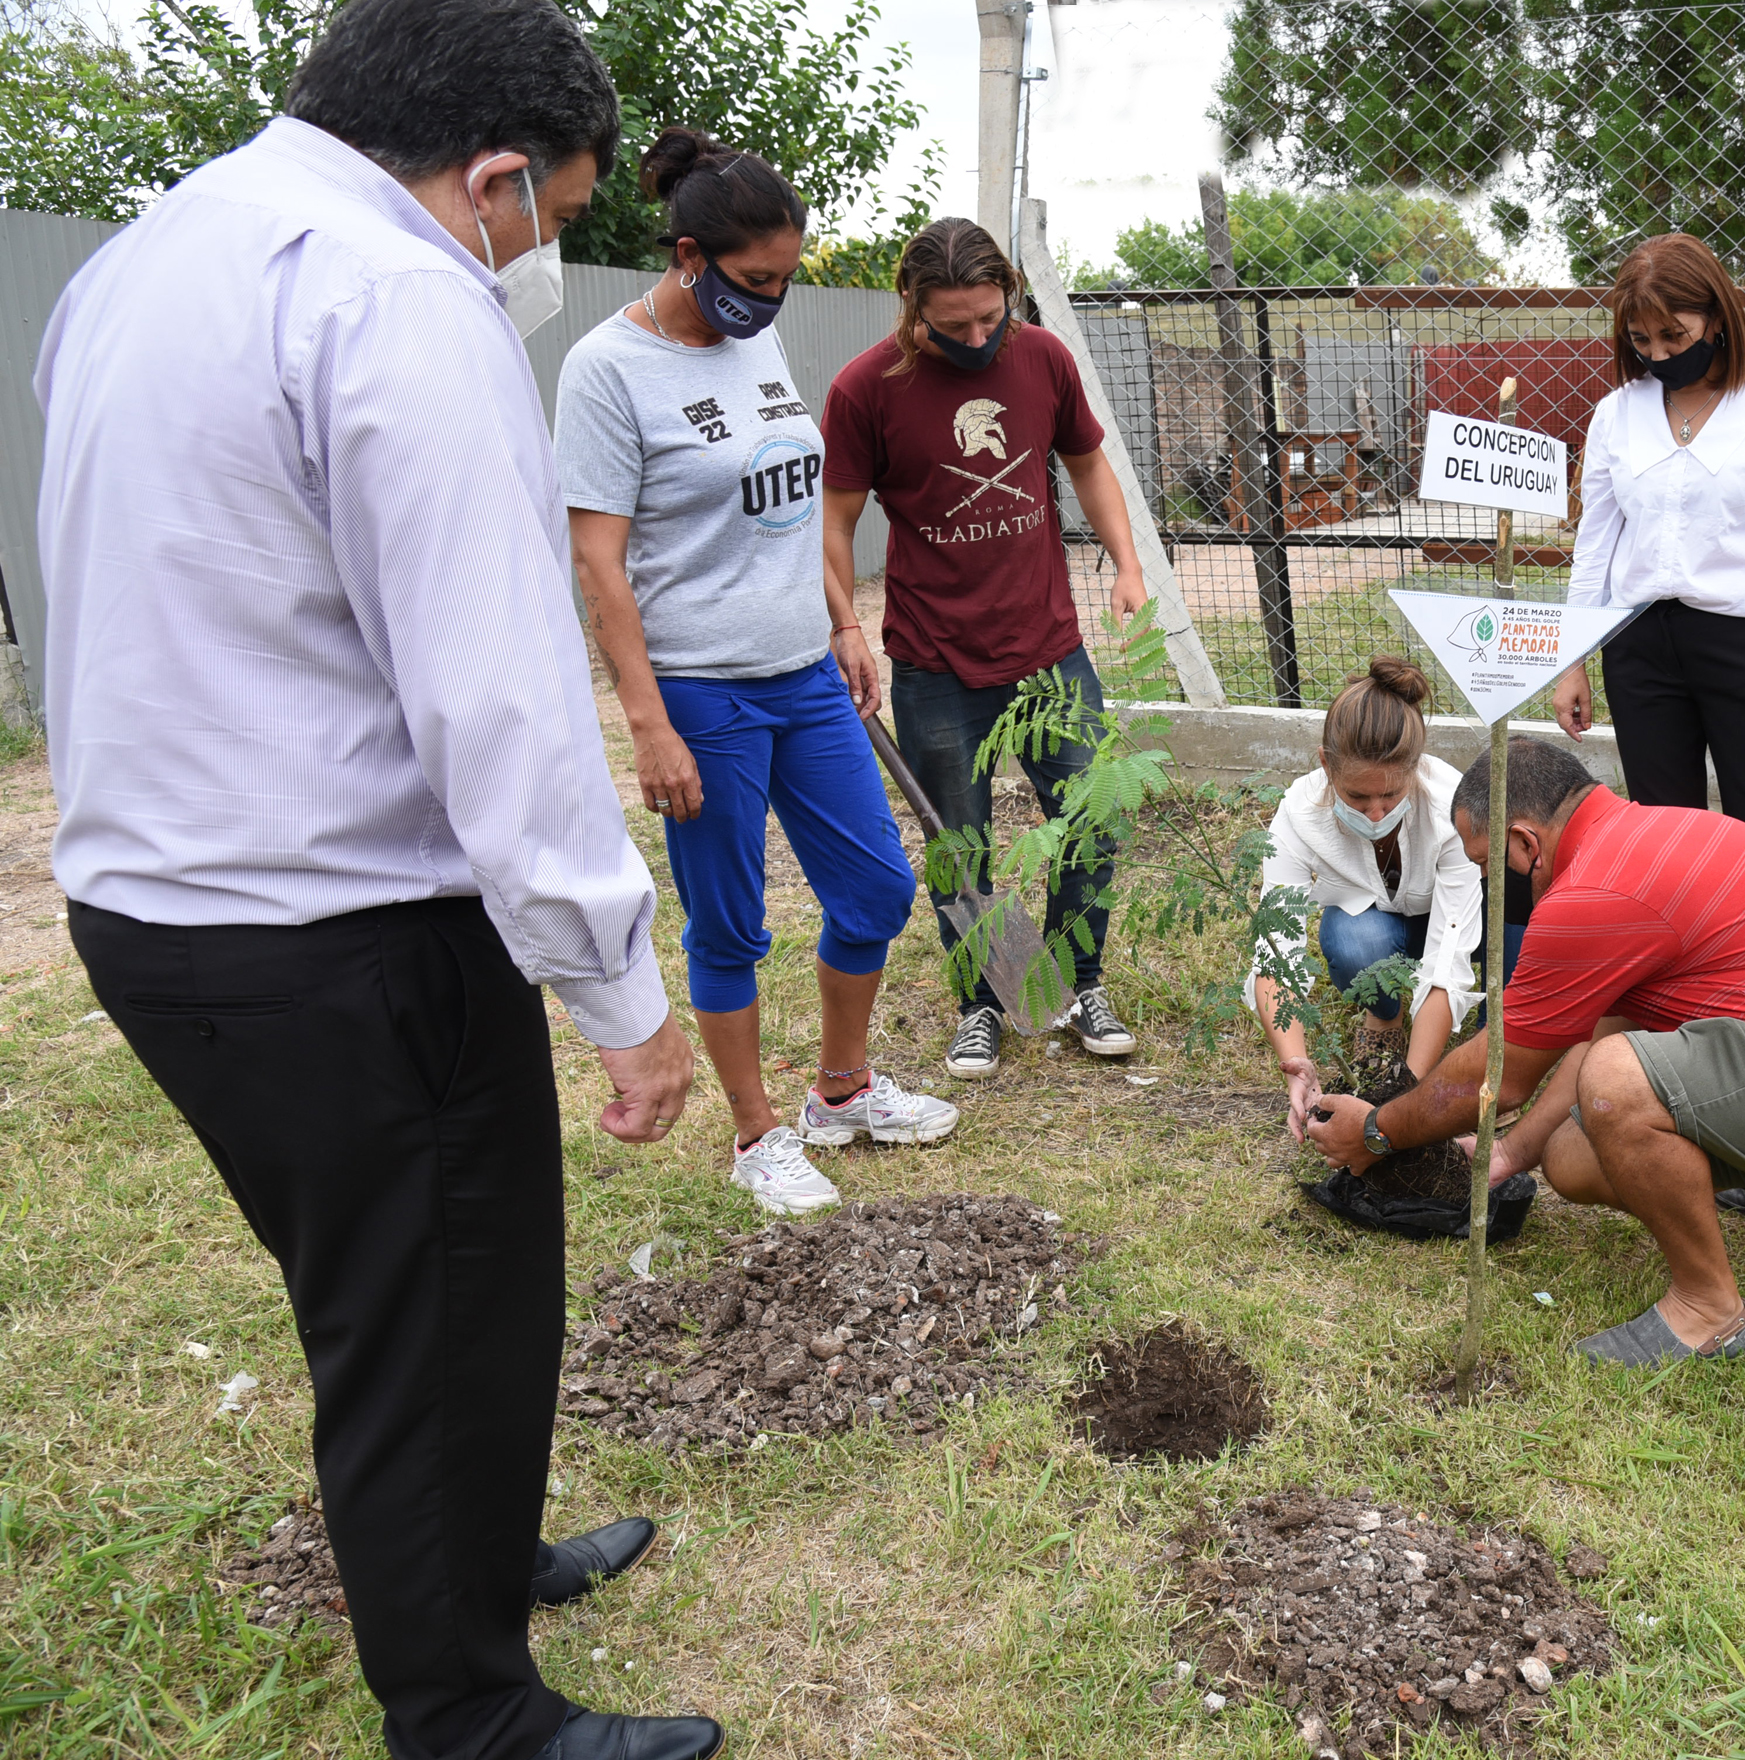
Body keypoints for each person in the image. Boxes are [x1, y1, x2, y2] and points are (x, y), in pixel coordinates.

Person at [35, 3, 723, 1756]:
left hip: (157, 905)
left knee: (416, 1299)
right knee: (428, 1315)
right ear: (489, 175)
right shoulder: (401, 296)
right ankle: (471, 1714)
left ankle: (472, 1553)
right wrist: (620, 995)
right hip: (342, 926)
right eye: (554, 216)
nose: (545, 250)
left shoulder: (150, 254)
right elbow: (495, 695)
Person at [557, 127, 955, 1220]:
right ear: (689, 254)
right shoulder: (606, 370)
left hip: (802, 671)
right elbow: (599, 560)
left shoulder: (756, 343)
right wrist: (647, 721)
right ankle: (755, 1131)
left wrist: (843, 618)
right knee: (729, 920)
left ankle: (840, 1088)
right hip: (700, 685)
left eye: (786, 278)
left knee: (876, 883)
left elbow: (790, 503)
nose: (772, 299)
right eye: (754, 279)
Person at [1306, 737, 1745, 1370]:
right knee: (1571, 1156)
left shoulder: (1593, 897)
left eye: (1487, 867)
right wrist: (1511, 1152)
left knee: (1615, 1080)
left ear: (1526, 843)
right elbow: (1610, 1022)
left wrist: (1377, 1132)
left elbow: (1497, 1078)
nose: (1487, 884)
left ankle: (1709, 1311)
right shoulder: (1644, 836)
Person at [821, 217, 1144, 1082]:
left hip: (1050, 649)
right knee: (958, 844)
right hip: (934, 660)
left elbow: (1087, 464)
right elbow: (837, 519)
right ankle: (981, 1005)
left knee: (1091, 821)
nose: (976, 337)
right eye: (953, 325)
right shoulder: (867, 389)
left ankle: (1084, 982)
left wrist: (1126, 561)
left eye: (989, 318)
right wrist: (844, 623)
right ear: (912, 306)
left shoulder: (1041, 358)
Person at [1552, 232, 1745, 863]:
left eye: (1674, 336)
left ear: (1718, 316)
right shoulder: (1616, 414)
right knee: (1663, 833)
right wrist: (1571, 659)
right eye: (1640, 341)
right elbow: (1595, 544)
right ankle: (1685, 961)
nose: (1658, 353)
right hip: (1640, 648)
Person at [1248, 659, 1492, 1139]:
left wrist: (1408, 1095)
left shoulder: (1451, 806)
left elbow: (1449, 957)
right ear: (1325, 764)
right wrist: (1294, 1061)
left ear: (1415, 769)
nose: (1376, 812)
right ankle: (1385, 1015)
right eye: (1358, 797)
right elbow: (1276, 952)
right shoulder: (1299, 813)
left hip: (1469, 920)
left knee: (1511, 942)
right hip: (1382, 927)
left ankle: (1488, 1038)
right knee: (1350, 939)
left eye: (1391, 795)